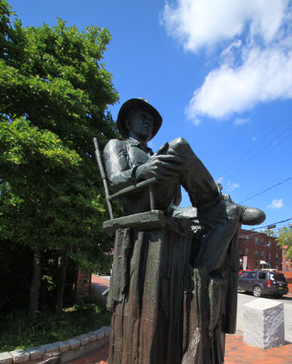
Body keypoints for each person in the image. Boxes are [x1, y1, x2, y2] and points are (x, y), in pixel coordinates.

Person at [104, 98, 265, 274]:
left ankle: (198, 276)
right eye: (143, 117)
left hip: (167, 208)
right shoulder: (117, 145)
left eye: (151, 120)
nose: (148, 122)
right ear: (128, 122)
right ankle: (212, 199)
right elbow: (114, 180)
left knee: (228, 213)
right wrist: (143, 170)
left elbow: (176, 200)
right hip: (138, 206)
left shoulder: (153, 154)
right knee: (178, 147)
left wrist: (182, 180)